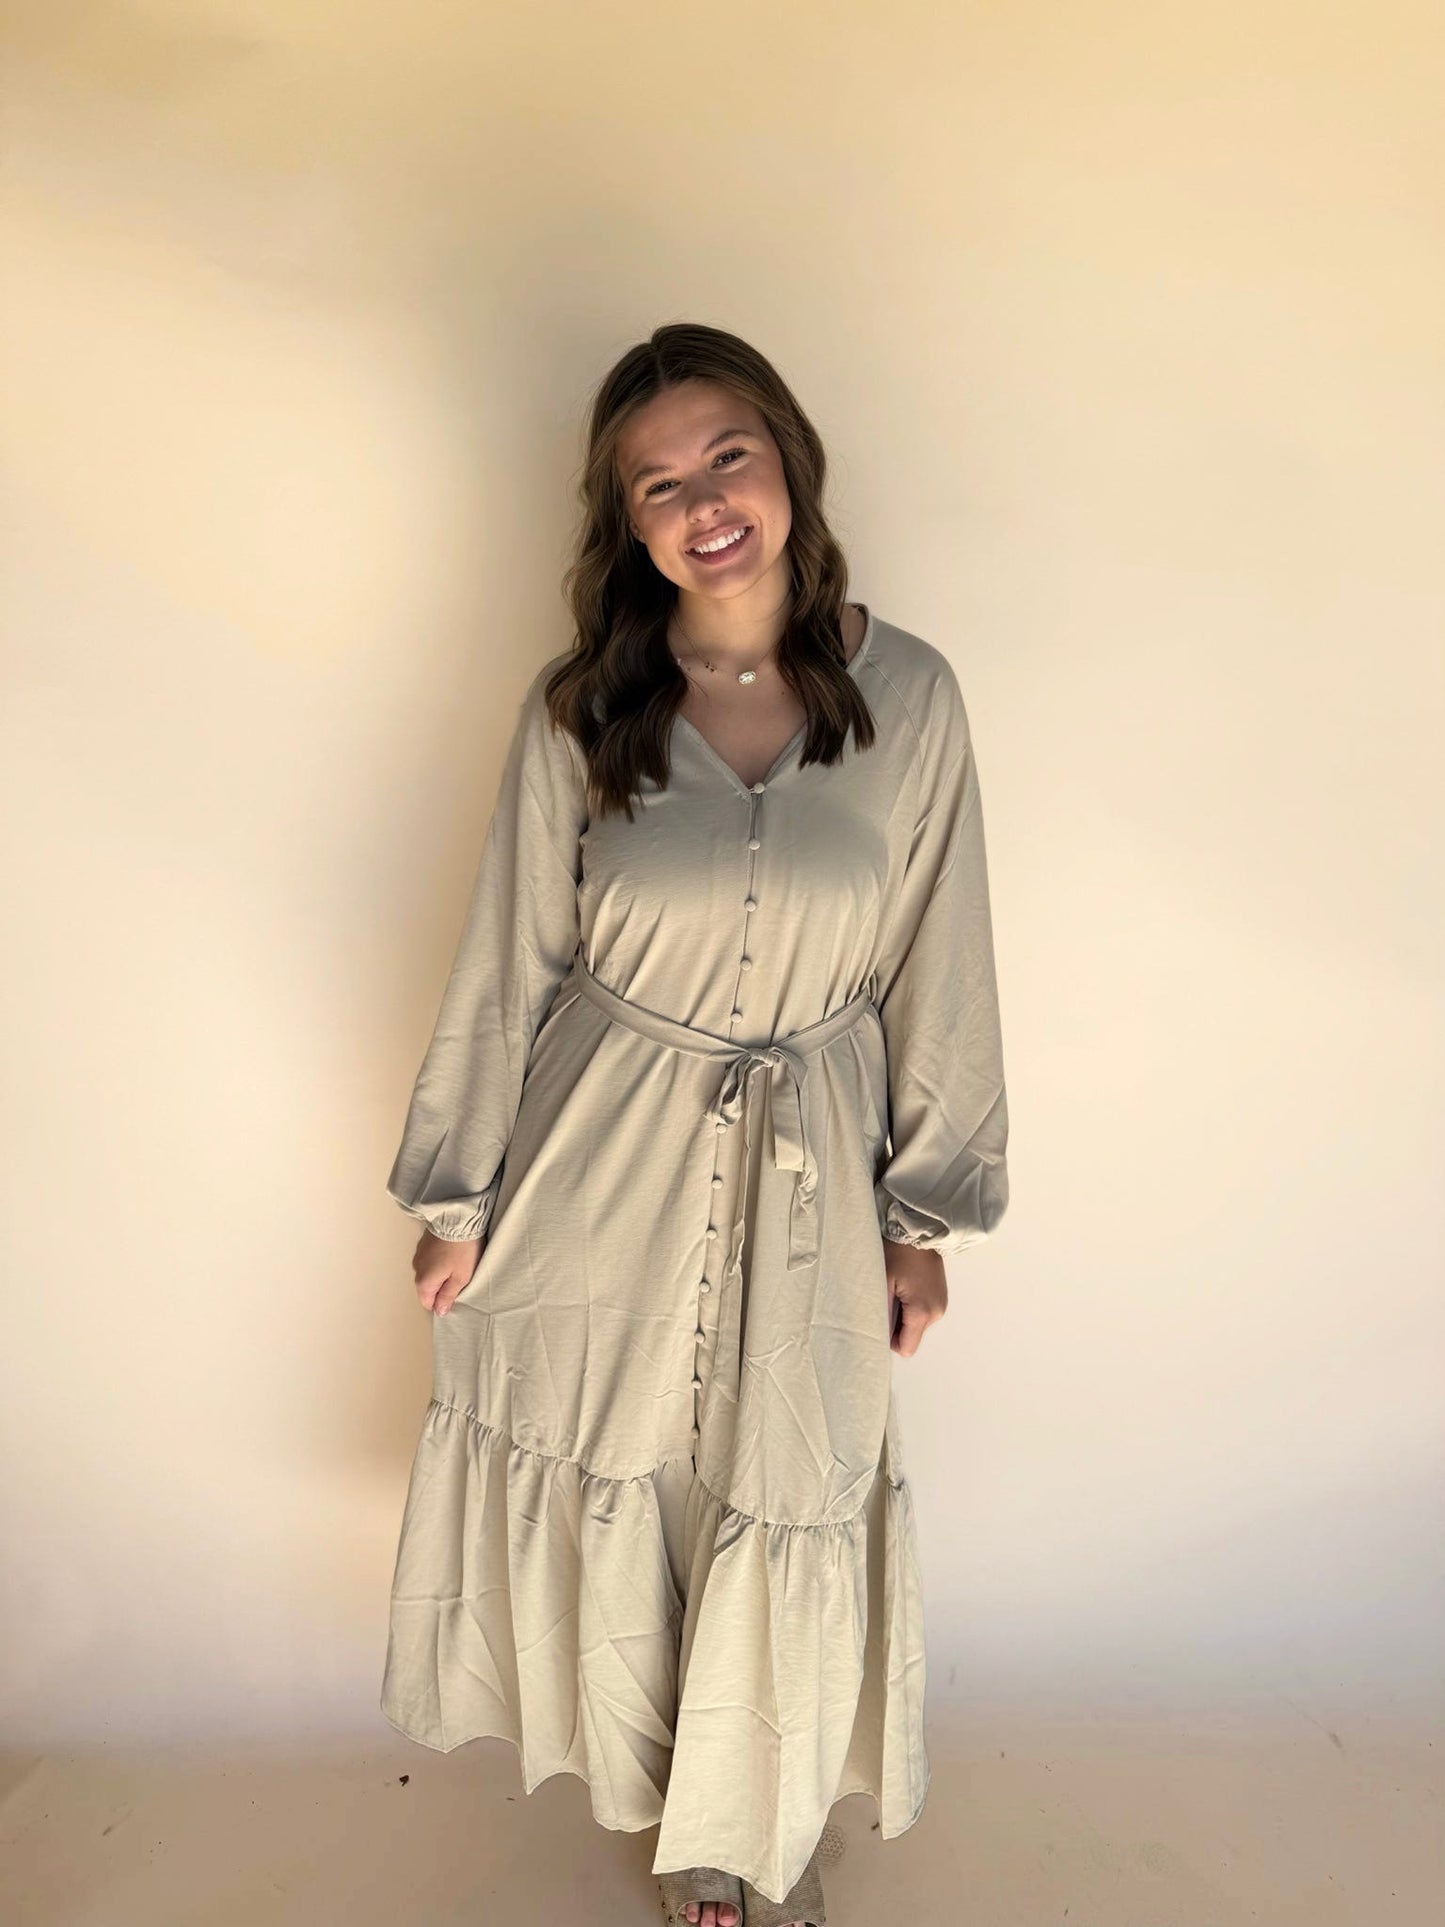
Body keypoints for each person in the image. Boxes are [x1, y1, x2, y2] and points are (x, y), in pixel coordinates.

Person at [379, 322, 1010, 1927]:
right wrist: (457, 1194)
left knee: (785, 1473)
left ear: (786, 454)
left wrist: (917, 1218)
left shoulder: (911, 697)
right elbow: (505, 955)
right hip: (605, 1151)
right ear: (627, 524)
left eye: (724, 454)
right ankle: (675, 1800)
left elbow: (944, 961)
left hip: (818, 1143)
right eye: (655, 483)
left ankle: (756, 1813)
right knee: (633, 1464)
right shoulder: (581, 707)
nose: (700, 501)